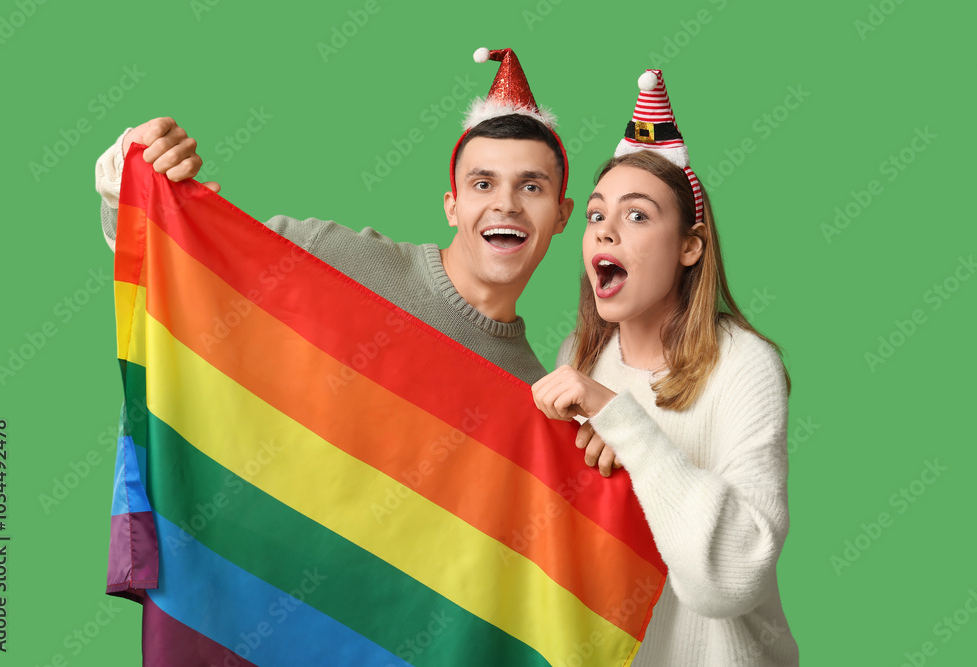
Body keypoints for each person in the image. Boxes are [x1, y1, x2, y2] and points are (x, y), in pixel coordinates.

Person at [94, 47, 573, 383]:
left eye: (531, 186)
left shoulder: (533, 394)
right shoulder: (334, 258)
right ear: (452, 206)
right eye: (482, 184)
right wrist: (129, 186)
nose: (505, 204)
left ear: (561, 214)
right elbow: (174, 260)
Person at [531, 71, 799, 665]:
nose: (605, 229)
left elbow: (729, 580)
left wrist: (622, 423)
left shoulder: (744, 366)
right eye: (596, 215)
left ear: (690, 246)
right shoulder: (579, 358)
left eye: (638, 216)